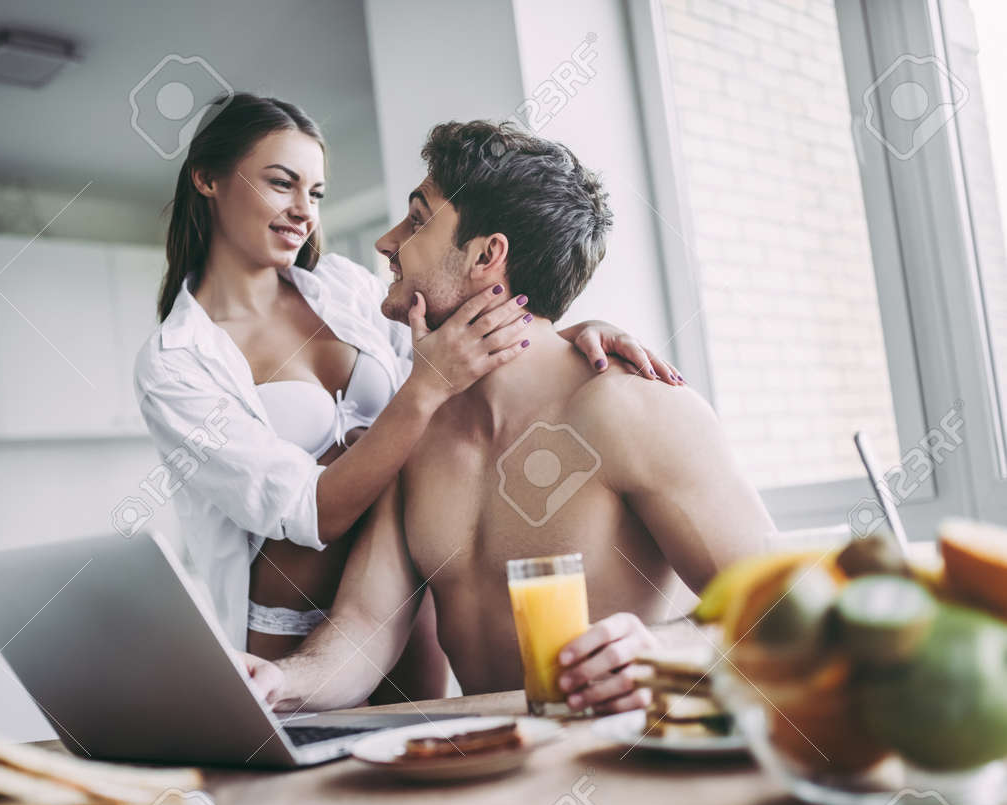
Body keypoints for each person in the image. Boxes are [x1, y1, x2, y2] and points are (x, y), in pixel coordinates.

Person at [134, 94, 684, 704]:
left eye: (314, 193)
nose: (303, 211)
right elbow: (317, 510)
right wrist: (424, 390)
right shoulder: (177, 360)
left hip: (401, 584)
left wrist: (564, 329)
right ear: (207, 179)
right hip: (290, 614)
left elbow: (462, 319)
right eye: (281, 183)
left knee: (414, 735)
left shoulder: (342, 288)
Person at [244, 120, 775, 714]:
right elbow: (364, 628)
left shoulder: (633, 407)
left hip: (627, 766)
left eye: (418, 219)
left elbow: (784, 612)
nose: (387, 242)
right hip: (497, 767)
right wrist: (280, 681)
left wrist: (663, 654)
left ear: (486, 255)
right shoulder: (415, 435)